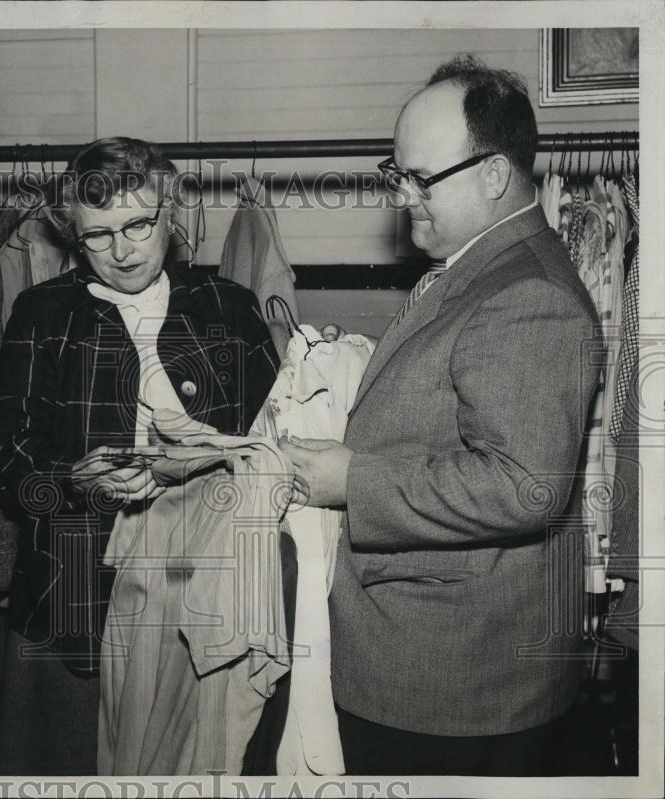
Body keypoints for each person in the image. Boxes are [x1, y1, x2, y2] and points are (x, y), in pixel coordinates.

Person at [280, 55, 600, 776]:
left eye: (421, 178)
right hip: (430, 660)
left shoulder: (526, 294)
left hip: (453, 680)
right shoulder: (479, 266)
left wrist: (352, 479)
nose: (404, 197)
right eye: (396, 174)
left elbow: (524, 484)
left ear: (492, 176)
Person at [0, 136, 281, 774]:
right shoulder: (41, 313)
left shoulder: (229, 308)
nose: (121, 251)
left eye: (138, 224)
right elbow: (8, 463)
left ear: (172, 211)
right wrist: (72, 481)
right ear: (73, 234)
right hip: (75, 598)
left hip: (203, 598)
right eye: (97, 235)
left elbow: (276, 445)